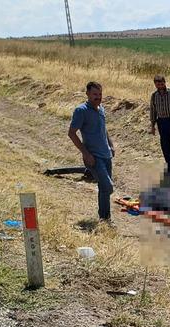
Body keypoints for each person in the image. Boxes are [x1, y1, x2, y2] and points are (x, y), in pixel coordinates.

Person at [68, 81, 115, 222]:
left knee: (104, 188)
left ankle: (105, 219)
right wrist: (86, 153)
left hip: (106, 154)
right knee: (108, 186)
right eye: (95, 94)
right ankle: (104, 217)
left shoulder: (101, 109)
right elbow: (71, 133)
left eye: (100, 94)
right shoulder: (81, 111)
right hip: (94, 157)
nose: (98, 97)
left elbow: (103, 129)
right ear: (87, 94)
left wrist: (111, 145)